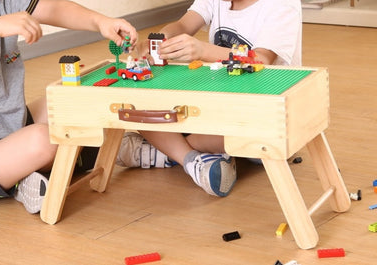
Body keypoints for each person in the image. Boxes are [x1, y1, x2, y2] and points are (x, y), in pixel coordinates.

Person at [0, 0, 137, 213]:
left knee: (74, 99)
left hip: (11, 127)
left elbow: (54, 8)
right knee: (45, 140)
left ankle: (27, 173)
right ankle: (111, 151)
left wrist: (101, 22)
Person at [117, 0, 302, 197]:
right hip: (221, 103)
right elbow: (183, 25)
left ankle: (168, 153)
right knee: (142, 106)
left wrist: (204, 51)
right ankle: (194, 159)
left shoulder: (282, 5)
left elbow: (262, 59)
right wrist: (161, 40)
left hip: (264, 111)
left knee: (253, 134)